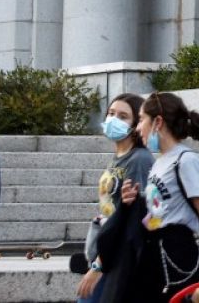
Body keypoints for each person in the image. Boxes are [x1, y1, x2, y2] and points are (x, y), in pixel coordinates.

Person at [121, 92, 199, 303]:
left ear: (158, 121)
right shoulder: (159, 162)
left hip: (178, 255)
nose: (138, 127)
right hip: (153, 252)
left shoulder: (186, 161)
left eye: (142, 119)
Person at [76, 94, 155, 303]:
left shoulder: (139, 159)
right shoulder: (119, 157)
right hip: (106, 251)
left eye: (123, 116)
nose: (114, 120)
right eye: (111, 114)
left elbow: (132, 217)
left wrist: (97, 267)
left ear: (136, 123)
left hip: (117, 258)